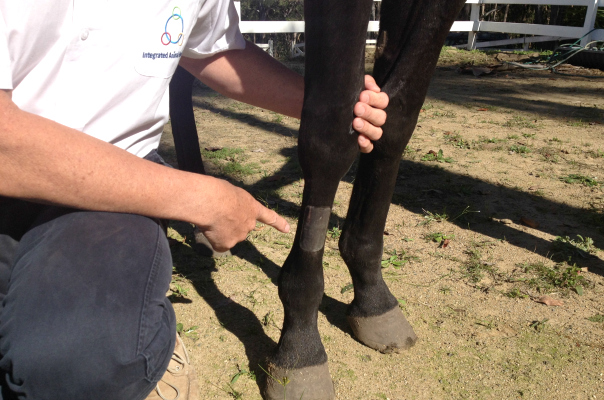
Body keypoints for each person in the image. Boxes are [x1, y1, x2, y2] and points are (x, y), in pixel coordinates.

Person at [0, 1, 389, 399]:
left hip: (109, 191)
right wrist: (197, 197)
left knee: (78, 360)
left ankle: (125, 343)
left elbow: (212, 50)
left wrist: (328, 107)